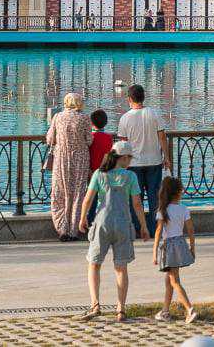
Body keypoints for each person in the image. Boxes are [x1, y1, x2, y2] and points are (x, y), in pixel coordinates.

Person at [78, 141, 150, 323]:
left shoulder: (99, 173)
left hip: (102, 223)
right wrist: (143, 226)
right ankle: (121, 309)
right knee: (121, 267)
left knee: (94, 264)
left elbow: (88, 199)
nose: (130, 161)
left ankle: (95, 305)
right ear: (123, 158)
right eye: (129, 158)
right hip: (123, 224)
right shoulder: (130, 177)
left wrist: (82, 217)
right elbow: (137, 204)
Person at [117, 84, 170, 234]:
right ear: (143, 97)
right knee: (155, 198)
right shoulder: (154, 113)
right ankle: (155, 229)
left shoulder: (125, 118)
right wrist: (166, 157)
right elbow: (162, 137)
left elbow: (123, 144)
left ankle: (137, 228)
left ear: (129, 99)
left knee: (135, 198)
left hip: (133, 164)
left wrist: (121, 164)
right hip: (154, 161)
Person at [46, 92, 93, 241]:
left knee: (60, 192)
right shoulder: (84, 118)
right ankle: (74, 230)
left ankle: (62, 228)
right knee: (78, 192)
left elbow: (50, 139)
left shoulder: (57, 117)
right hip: (80, 159)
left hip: (61, 158)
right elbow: (89, 140)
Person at [152, 176, 197, 324]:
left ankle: (189, 309)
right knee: (169, 280)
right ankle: (165, 311)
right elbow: (190, 230)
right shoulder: (183, 209)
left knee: (175, 281)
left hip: (169, 247)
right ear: (178, 192)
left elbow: (158, 232)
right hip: (180, 244)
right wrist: (192, 247)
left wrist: (154, 253)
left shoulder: (163, 210)